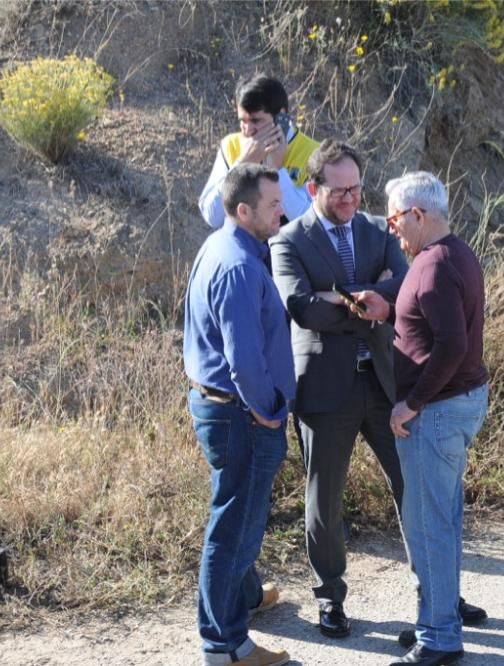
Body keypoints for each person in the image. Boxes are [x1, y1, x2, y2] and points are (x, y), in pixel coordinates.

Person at [353, 172, 490, 666]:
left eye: (394, 219)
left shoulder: (432, 268)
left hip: (436, 411)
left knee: (429, 523)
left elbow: (451, 344)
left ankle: (438, 636)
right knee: (441, 518)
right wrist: (391, 310)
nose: (392, 230)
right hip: (456, 404)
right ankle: (438, 617)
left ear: (417, 214)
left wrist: (412, 403)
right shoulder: (452, 253)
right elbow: (432, 326)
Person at [183, 163, 295, 666]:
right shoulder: (239, 266)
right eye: (273, 204)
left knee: (237, 513)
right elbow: (245, 360)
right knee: (235, 528)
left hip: (224, 408)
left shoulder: (227, 246)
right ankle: (226, 645)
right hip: (241, 414)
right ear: (244, 209)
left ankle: (244, 595)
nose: (283, 209)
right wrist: (269, 411)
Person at [199, 73, 319, 229]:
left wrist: (277, 173)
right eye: (243, 121)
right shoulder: (231, 146)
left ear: (281, 117)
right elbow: (212, 216)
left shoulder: (313, 153)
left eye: (256, 121)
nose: (248, 130)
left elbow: (310, 224)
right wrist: (241, 166)